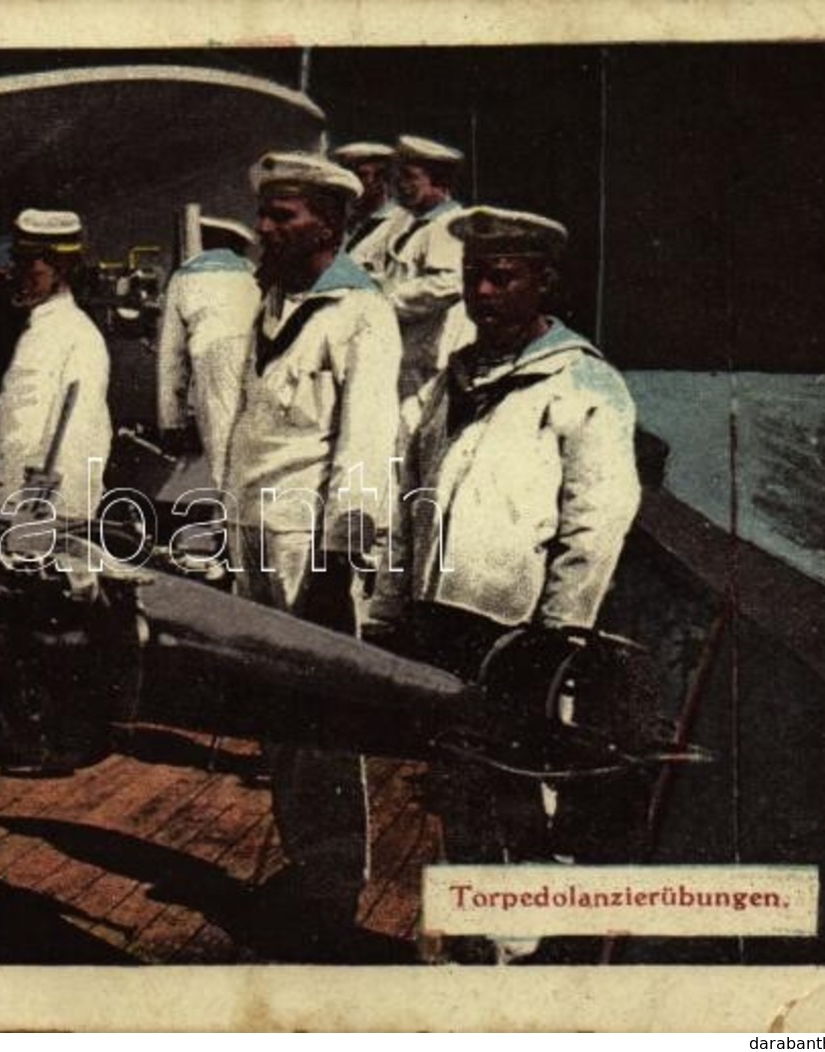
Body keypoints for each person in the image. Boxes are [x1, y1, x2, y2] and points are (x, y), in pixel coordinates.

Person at [365, 206, 641, 962]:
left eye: (500, 276)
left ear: (542, 281)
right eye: (470, 277)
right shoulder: (450, 384)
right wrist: (389, 605)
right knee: (456, 782)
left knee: (517, 782)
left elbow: (596, 521)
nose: (480, 292)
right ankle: (466, 941)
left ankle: (515, 952)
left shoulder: (583, 383)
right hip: (439, 616)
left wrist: (556, 634)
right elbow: (407, 502)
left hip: (518, 630)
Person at [225, 151, 404, 954]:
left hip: (310, 548)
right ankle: (305, 867)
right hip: (255, 538)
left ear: (327, 224)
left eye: (283, 216)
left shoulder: (360, 314)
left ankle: (332, 891)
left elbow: (366, 447)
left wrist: (337, 564)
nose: (265, 228)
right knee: (276, 714)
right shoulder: (274, 307)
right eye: (265, 214)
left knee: (322, 719)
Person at [0, 209, 112, 519]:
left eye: (29, 266)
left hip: (45, 510)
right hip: (29, 503)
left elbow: (75, 435)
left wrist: (42, 508)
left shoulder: (71, 335)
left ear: (59, 269)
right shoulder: (48, 328)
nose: (18, 275)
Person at [154, 214, 261, 490]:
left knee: (222, 453)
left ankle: (228, 521)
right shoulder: (253, 273)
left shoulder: (184, 276)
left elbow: (171, 357)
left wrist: (172, 422)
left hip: (212, 359)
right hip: (258, 356)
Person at [381, 134, 475, 402]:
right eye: (400, 177)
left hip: (430, 360)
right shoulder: (417, 226)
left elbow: (449, 284)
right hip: (412, 355)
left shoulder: (446, 225)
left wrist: (387, 301)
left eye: (411, 177)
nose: (401, 185)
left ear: (439, 182)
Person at [329, 141, 408, 278]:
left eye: (359, 175)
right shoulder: (339, 222)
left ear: (381, 178)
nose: (348, 185)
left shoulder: (402, 226)